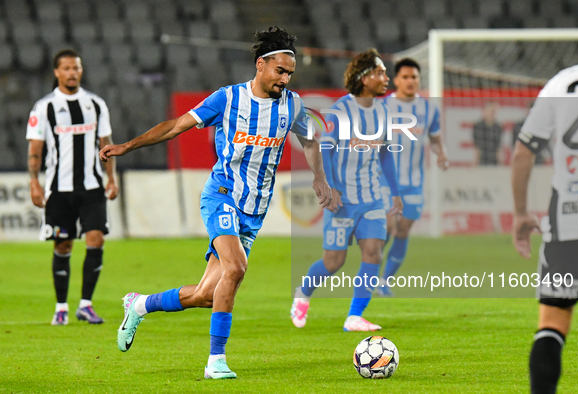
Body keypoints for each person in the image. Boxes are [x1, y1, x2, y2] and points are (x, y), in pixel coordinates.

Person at [99, 26, 332, 380]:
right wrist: (127, 147)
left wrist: (319, 177)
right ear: (260, 65)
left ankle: (140, 304)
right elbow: (176, 126)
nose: (285, 79)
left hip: (254, 210)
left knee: (209, 294)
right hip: (221, 195)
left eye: (290, 73)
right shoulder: (227, 99)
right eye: (280, 71)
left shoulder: (294, 105)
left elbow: (311, 141)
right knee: (236, 269)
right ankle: (215, 361)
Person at [290, 48, 403, 332]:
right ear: (365, 78)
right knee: (333, 262)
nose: (386, 77)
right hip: (342, 199)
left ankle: (354, 316)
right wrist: (331, 187)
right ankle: (303, 293)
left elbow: (386, 154)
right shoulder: (342, 111)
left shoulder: (384, 112)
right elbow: (325, 149)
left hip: (371, 198)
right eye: (380, 72)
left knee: (373, 251)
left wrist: (396, 192)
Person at [512, 59, 578, 394]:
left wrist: (520, 213)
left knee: (553, 323)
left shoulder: (563, 82)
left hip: (570, 217)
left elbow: (523, 153)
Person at [26, 49, 118, 326]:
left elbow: (106, 144)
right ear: (57, 72)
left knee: (96, 239)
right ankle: (61, 307)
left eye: (76, 68)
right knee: (63, 244)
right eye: (66, 68)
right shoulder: (44, 107)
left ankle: (86, 305)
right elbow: (35, 149)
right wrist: (34, 182)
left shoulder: (95, 104)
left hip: (91, 187)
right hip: (58, 189)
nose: (72, 72)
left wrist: (111, 178)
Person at [377, 58, 449, 296]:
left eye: (414, 77)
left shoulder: (429, 109)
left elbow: (436, 139)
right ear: (396, 80)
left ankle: (384, 280)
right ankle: (371, 267)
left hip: (415, 183)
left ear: (419, 80)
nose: (410, 81)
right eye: (405, 77)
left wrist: (442, 154)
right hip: (386, 182)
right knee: (388, 227)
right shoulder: (383, 107)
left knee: (404, 229)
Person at [473, 101, 502, 165]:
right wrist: (475, 163)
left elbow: (498, 148)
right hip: (482, 161)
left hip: (494, 162)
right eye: (491, 111)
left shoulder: (498, 127)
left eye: (494, 111)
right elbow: (477, 147)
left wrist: (500, 163)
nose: (492, 114)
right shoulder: (478, 126)